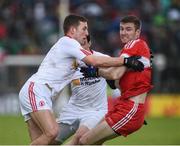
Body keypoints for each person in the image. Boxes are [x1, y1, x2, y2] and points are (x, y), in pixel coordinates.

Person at [18, 14, 144, 145]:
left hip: (90, 109)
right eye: (84, 29)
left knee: (46, 140)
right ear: (73, 30)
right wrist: (125, 60)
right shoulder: (68, 42)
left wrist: (128, 66)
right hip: (39, 91)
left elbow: (112, 75)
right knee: (52, 133)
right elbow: (95, 62)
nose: (86, 34)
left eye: (87, 33)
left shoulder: (79, 59)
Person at [77, 15, 153, 145]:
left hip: (130, 108)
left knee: (84, 141)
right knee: (93, 142)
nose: (123, 33)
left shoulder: (134, 44)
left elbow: (114, 75)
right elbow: (116, 82)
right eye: (121, 29)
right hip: (125, 106)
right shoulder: (132, 50)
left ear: (137, 32)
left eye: (128, 29)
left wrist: (95, 71)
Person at [51, 35, 109, 145]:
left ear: (90, 43)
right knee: (50, 139)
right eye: (77, 46)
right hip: (73, 109)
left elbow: (116, 73)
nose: (80, 48)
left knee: (80, 138)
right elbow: (57, 86)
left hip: (95, 111)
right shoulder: (69, 63)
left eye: (83, 44)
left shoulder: (101, 58)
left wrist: (97, 71)